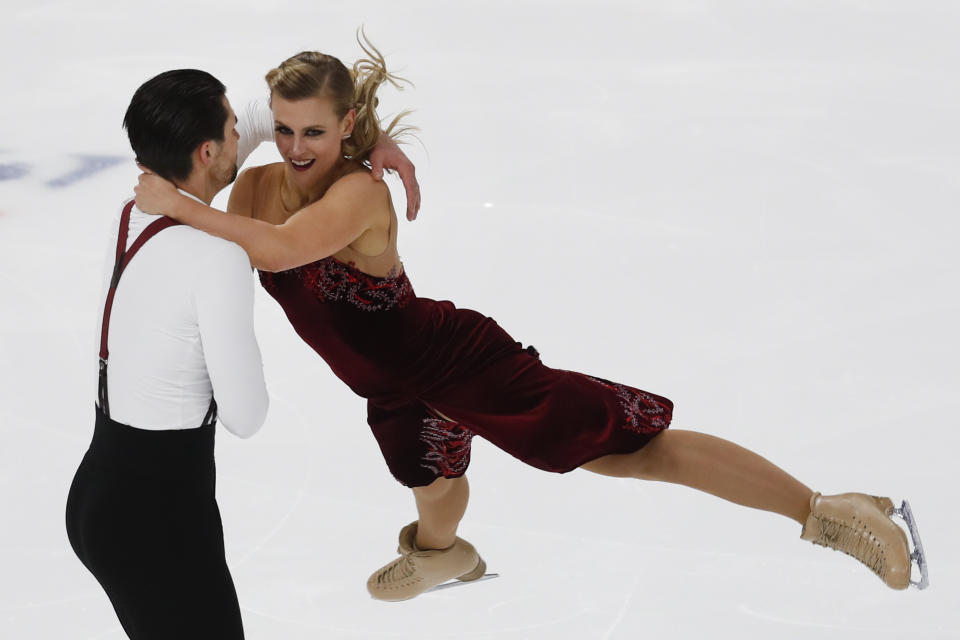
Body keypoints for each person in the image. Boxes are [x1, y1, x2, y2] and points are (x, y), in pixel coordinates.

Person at [132, 38, 928, 602]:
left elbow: (277, 253)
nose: (299, 146)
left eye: (319, 130)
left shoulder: (358, 194)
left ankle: (830, 513)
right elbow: (254, 206)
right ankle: (443, 558)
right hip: (392, 387)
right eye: (287, 128)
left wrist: (170, 203)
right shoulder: (258, 186)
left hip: (453, 361)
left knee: (630, 454)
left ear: (348, 128)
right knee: (430, 476)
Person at [65, 68, 422, 639]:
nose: (250, 136)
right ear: (207, 150)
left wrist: (362, 139)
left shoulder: (132, 214)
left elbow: (251, 123)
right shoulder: (217, 257)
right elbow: (246, 415)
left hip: (103, 492)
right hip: (160, 516)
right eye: (235, 129)